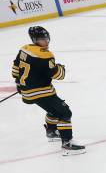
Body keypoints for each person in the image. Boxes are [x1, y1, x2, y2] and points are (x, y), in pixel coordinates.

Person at [11, 26, 85, 155]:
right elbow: (59, 75)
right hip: (41, 91)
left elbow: (15, 67)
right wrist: (61, 67)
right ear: (34, 39)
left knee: (53, 109)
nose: (46, 41)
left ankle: (51, 131)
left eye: (46, 38)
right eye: (42, 39)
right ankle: (67, 143)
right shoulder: (45, 55)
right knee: (64, 113)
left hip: (27, 92)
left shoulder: (24, 49)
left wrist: (18, 83)